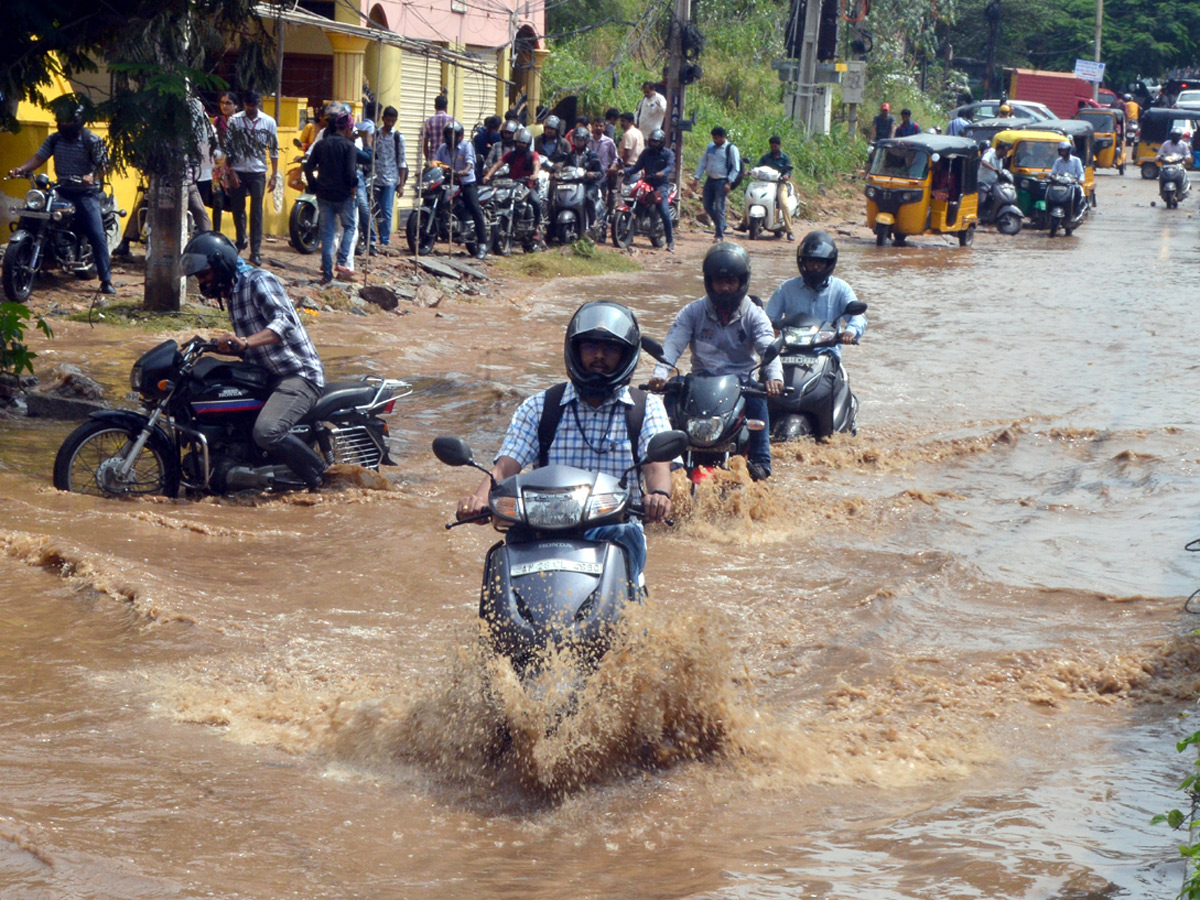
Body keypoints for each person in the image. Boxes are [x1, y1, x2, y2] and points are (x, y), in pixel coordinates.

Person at [455, 300, 674, 578]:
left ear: (626, 355)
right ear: (575, 349)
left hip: (614, 530)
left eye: (610, 348)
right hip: (541, 529)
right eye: (590, 346)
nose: (599, 355)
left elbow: (658, 467)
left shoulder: (646, 408)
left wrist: (659, 496)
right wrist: (478, 499)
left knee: (628, 552)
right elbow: (504, 468)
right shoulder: (541, 407)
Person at [179, 231, 328, 491]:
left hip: (298, 375)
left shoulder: (258, 281)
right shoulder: (232, 294)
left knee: (267, 432)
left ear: (221, 264)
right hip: (267, 375)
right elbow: (253, 347)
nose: (202, 282)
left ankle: (323, 479)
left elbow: (284, 324)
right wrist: (226, 347)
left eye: (204, 274)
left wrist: (245, 342)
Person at [649, 242, 782, 482]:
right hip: (701, 382)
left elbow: (767, 347)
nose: (725, 288)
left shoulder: (754, 314)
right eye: (719, 282)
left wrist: (774, 378)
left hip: (741, 384)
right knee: (673, 388)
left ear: (742, 282)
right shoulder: (693, 311)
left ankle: (762, 462)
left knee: (758, 395)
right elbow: (672, 345)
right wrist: (660, 374)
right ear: (709, 282)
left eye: (730, 282)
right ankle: (669, 457)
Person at [8, 99, 116, 294]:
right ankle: (32, 260)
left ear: (77, 120)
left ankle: (106, 280)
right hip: (61, 190)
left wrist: (91, 177)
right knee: (32, 214)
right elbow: (38, 158)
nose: (63, 124)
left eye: (67, 120)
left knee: (96, 234)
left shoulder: (91, 140)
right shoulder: (55, 139)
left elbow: (105, 165)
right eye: (61, 120)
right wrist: (20, 169)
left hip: (86, 193)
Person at [765, 231, 866, 362]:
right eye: (811, 261)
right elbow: (767, 319)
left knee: (838, 380)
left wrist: (850, 332)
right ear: (803, 261)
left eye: (820, 262)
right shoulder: (786, 289)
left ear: (829, 262)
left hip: (827, 354)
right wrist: (771, 329)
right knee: (765, 377)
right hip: (790, 354)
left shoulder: (841, 289)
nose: (815, 267)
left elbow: (857, 316)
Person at [225, 89, 279, 266]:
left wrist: (274, 175)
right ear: (244, 103)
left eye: (254, 104)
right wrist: (231, 170)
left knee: (256, 211)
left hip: (257, 171)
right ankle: (241, 239)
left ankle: (256, 251)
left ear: (259, 103)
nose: (251, 108)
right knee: (237, 208)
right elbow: (229, 147)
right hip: (239, 169)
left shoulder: (268, 122)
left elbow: (273, 149)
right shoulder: (235, 121)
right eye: (248, 105)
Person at [304, 109, 359, 285]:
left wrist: (313, 184)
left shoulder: (321, 145)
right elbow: (351, 174)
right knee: (349, 226)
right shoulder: (349, 147)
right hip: (343, 196)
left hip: (324, 194)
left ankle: (327, 275)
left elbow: (307, 166)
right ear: (348, 129)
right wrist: (353, 187)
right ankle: (342, 261)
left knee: (327, 234)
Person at [434, 121, 488, 259]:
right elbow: (435, 162)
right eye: (448, 134)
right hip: (448, 181)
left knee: (475, 209)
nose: (450, 137)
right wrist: (428, 167)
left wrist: (465, 171)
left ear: (459, 135)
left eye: (453, 134)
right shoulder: (442, 148)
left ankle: (482, 244)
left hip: (466, 182)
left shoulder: (466, 146)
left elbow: (470, 161)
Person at [483, 126, 543, 240]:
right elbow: (497, 165)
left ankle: (537, 227)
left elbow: (536, 164)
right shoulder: (510, 154)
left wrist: (534, 175)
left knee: (535, 202)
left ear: (528, 144)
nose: (521, 145)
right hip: (512, 185)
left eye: (524, 143)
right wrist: (487, 175)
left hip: (527, 186)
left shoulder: (532, 154)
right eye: (519, 142)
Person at [622, 128, 675, 252]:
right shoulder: (646, 153)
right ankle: (629, 234)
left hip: (661, 186)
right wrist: (624, 171)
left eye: (655, 142)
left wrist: (662, 173)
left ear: (661, 142)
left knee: (664, 212)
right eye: (651, 141)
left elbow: (670, 166)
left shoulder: (668, 154)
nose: (653, 144)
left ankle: (670, 241)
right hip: (647, 183)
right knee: (635, 205)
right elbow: (636, 167)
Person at [734, 135, 795, 240]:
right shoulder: (766, 157)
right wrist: (750, 172)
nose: (773, 148)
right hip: (764, 184)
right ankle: (744, 223)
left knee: (784, 204)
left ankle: (789, 231)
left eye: (775, 146)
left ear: (779, 146)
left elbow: (788, 170)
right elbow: (758, 167)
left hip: (779, 184)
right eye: (772, 146)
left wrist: (786, 176)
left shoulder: (785, 158)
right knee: (752, 199)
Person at [692, 125, 741, 242]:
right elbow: (703, 162)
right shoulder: (710, 147)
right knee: (707, 205)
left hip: (722, 181)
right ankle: (721, 224)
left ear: (723, 137)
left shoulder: (731, 149)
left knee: (719, 207)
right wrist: (696, 177)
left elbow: (736, 167)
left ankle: (719, 235)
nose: (715, 141)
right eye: (714, 138)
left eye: (718, 138)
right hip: (710, 180)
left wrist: (729, 182)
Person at [558, 126, 605, 234]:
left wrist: (592, 175)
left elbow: (600, 173)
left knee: (588, 197)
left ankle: (593, 223)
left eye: (580, 140)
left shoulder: (592, 155)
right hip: (574, 185)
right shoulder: (570, 155)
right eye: (576, 139)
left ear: (586, 141)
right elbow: (564, 168)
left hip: (589, 185)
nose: (578, 142)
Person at [372, 105, 407, 248]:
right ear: (383, 119)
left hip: (391, 179)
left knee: (386, 209)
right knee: (376, 209)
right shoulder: (375, 134)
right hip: (376, 178)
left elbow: (402, 161)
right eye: (388, 120)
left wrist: (401, 184)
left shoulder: (399, 137)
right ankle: (376, 237)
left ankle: (385, 240)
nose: (390, 123)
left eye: (393, 121)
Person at [589, 115, 619, 211]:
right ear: (592, 126)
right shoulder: (587, 140)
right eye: (596, 125)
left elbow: (615, 157)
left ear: (604, 127)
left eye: (600, 126)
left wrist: (612, 168)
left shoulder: (609, 142)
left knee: (601, 200)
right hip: (588, 175)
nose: (598, 128)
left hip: (602, 177)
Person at [422, 94, 455, 164]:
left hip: (433, 160)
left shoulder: (428, 122)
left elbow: (424, 144)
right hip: (449, 160)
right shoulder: (453, 121)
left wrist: (428, 160)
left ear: (435, 106)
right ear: (446, 107)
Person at [474, 115, 502, 181]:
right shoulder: (498, 137)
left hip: (479, 167)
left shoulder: (478, 136)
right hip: (495, 167)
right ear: (498, 126)